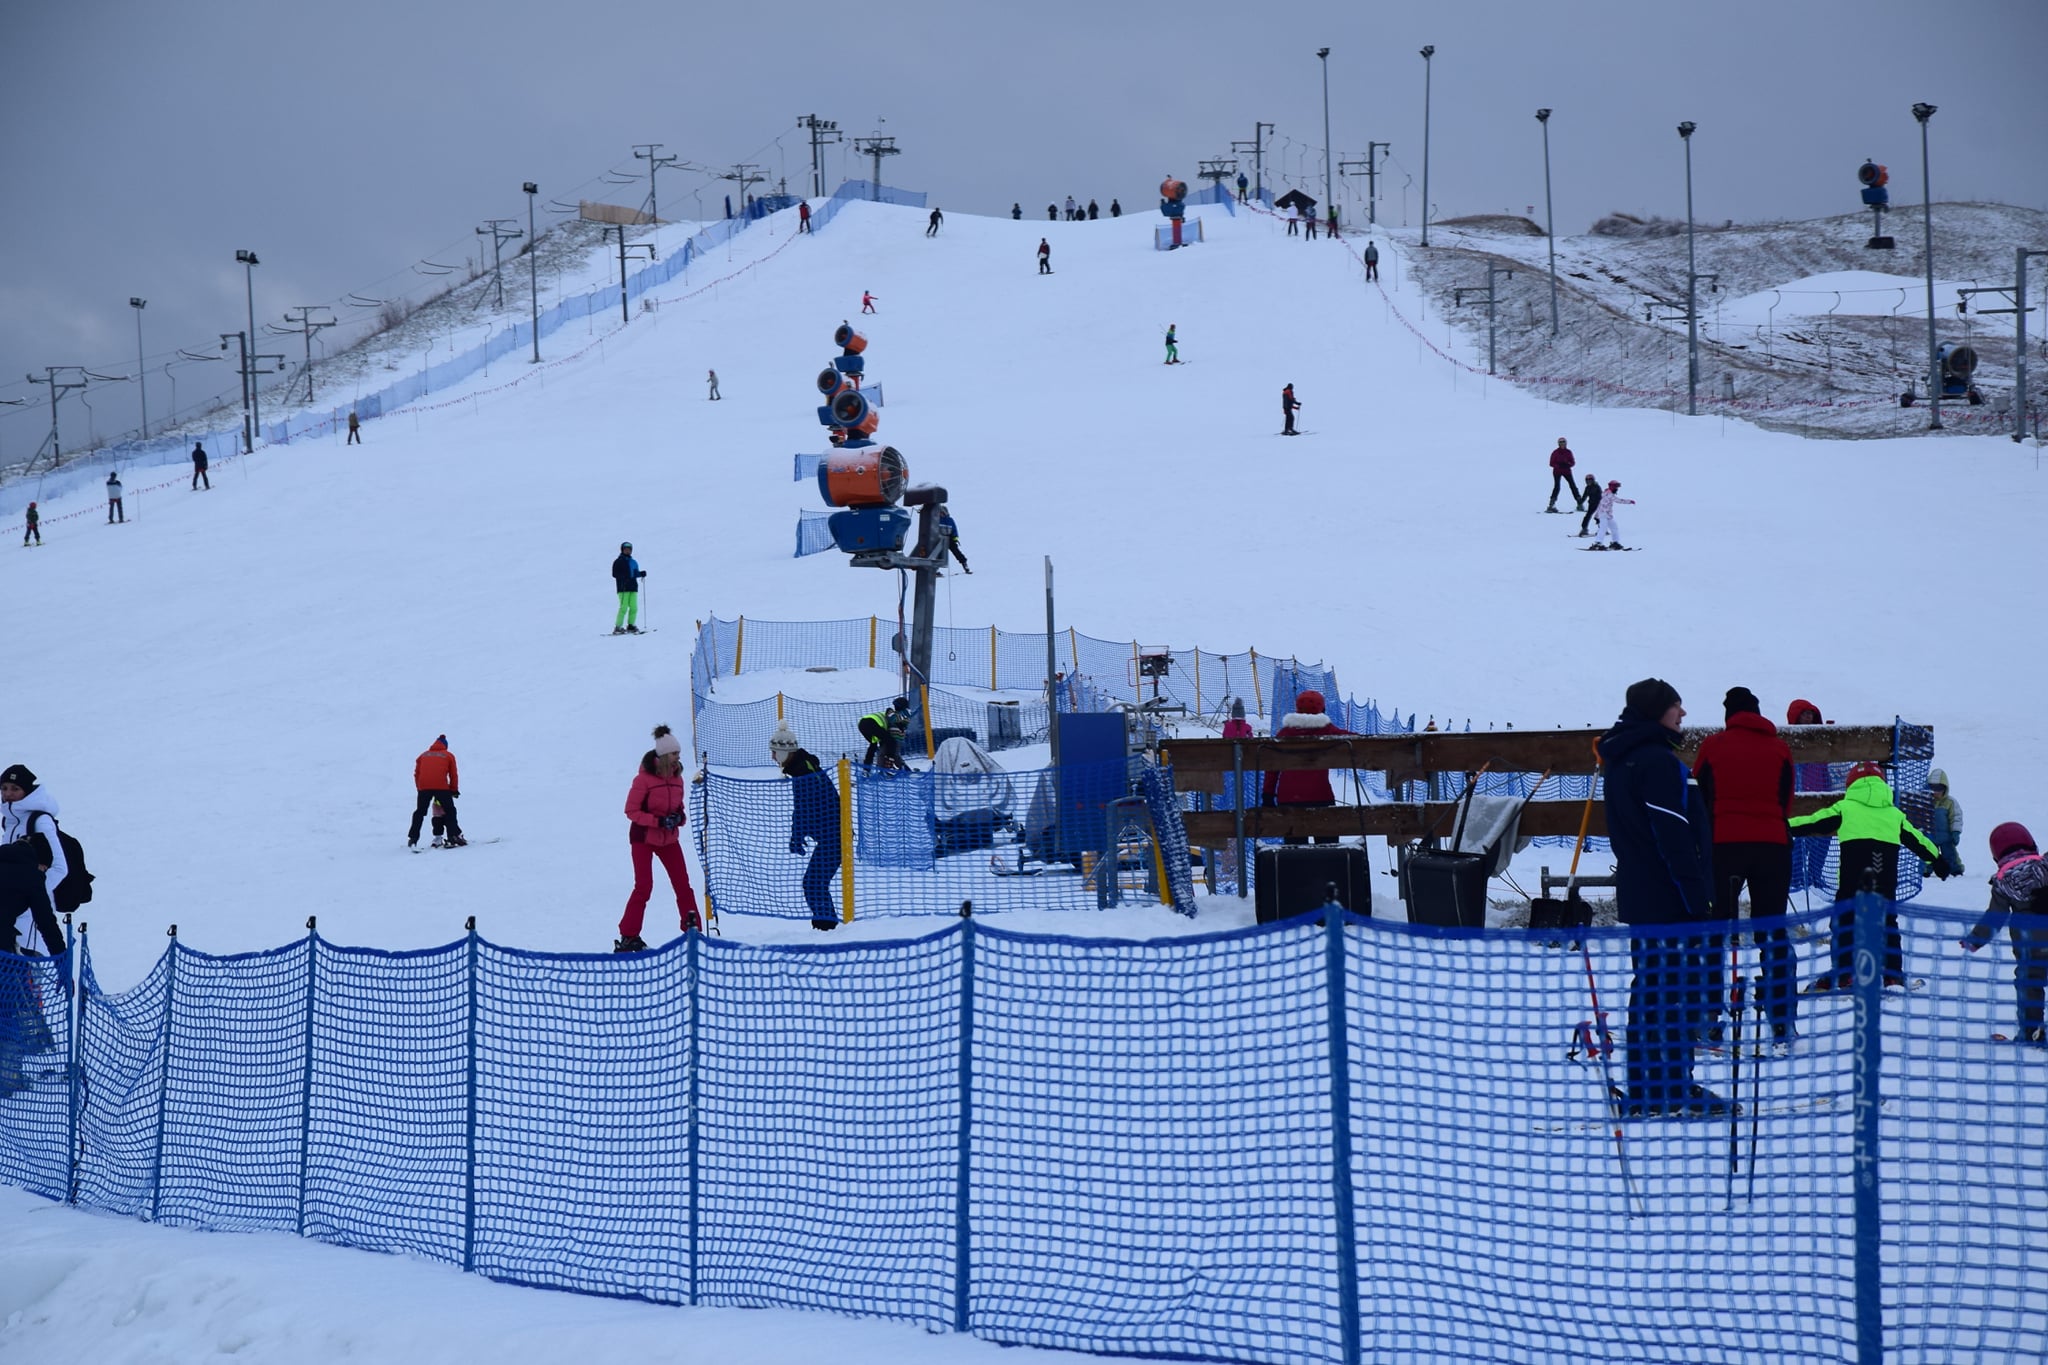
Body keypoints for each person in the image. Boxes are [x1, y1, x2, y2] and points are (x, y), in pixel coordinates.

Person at [1599, 679, 1726, 1119]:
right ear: (1657, 712)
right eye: (1676, 706)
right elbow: (1673, 836)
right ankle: (1671, 1088)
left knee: (1651, 989)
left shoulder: (1623, 758)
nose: (1683, 714)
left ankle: (1649, 1086)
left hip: (1643, 894)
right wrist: (1696, 899)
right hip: (1668, 898)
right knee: (1674, 991)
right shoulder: (1656, 761)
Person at [1692, 685, 1799, 1052]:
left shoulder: (1712, 746)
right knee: (1773, 931)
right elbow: (1786, 799)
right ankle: (1783, 1024)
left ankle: (1707, 1020)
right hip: (1772, 845)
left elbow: (1700, 796)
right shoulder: (1780, 747)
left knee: (1714, 932)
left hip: (1723, 845)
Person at [1791, 759, 1949, 992]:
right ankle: (1892, 974)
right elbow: (1918, 840)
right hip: (1884, 883)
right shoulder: (1894, 815)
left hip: (1851, 883)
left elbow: (1814, 821)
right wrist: (1937, 859)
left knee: (1844, 922)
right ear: (1882, 784)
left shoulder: (1845, 808)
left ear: (1851, 785)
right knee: (1887, 923)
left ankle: (1845, 973)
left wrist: (1782, 825)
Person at [1961, 822, 2048, 1045]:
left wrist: (1975, 940)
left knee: (2029, 984)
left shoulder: (2003, 881)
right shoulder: (2045, 865)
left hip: (2031, 948)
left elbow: (1995, 916)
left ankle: (2030, 1032)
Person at [615, 725, 700, 951]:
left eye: (678, 755)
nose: (677, 759)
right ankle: (629, 935)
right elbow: (631, 811)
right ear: (662, 756)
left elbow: (679, 807)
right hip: (643, 837)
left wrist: (678, 818)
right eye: (674, 754)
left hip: (668, 839)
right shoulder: (643, 780)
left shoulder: (677, 778)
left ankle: (693, 930)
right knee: (644, 886)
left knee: (683, 884)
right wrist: (658, 821)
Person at [1260, 689, 1355, 845]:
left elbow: (1272, 767)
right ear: (1322, 710)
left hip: (1289, 800)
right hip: (1321, 796)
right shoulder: (1327, 730)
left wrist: (1268, 794)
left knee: (1295, 850)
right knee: (1328, 849)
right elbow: (1353, 740)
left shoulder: (1284, 733)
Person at [771, 724, 842, 930]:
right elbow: (805, 808)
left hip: (834, 836)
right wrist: (799, 834)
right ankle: (826, 926)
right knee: (814, 883)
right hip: (831, 835)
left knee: (813, 884)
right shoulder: (803, 767)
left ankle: (828, 928)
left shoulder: (803, 772)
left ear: (785, 753)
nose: (773, 758)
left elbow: (804, 808)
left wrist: (797, 835)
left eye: (775, 753)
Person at [0, 764, 67, 961]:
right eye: (4, 788)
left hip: (31, 912)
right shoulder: (10, 821)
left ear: (27, 791)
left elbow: (59, 867)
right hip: (11, 909)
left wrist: (31, 894)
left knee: (30, 966)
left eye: (15, 789)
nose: (8, 794)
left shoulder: (40, 821)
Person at [1785, 699, 1833, 890]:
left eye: (1811, 714)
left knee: (1824, 837)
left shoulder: (1820, 743)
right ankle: (1795, 877)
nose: (1808, 717)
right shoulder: (1790, 741)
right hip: (1800, 801)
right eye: (1804, 714)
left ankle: (1815, 875)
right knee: (1801, 839)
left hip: (1822, 798)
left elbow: (1826, 769)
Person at [405, 736, 464, 849]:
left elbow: (417, 773)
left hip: (424, 787)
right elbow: (453, 775)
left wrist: (420, 788)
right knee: (450, 810)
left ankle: (413, 838)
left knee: (420, 812)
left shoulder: (422, 755)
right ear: (445, 746)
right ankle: (452, 836)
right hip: (441, 787)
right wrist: (454, 790)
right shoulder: (448, 755)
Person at [1928, 768, 1965, 876]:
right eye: (1932, 788)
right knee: (1928, 854)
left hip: (1946, 837)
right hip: (1930, 837)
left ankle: (1956, 870)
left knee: (1950, 855)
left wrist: (1955, 832)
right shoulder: (1926, 801)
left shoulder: (1950, 802)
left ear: (1945, 789)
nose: (1935, 792)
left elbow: (1956, 817)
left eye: (1939, 788)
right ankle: (1926, 871)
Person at [859, 697, 913, 770]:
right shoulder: (891, 714)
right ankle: (888, 766)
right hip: (873, 723)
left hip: (861, 724)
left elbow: (899, 721)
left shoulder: (901, 715)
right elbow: (892, 718)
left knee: (873, 746)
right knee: (891, 742)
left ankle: (867, 768)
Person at [611, 541, 646, 634]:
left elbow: (634, 573)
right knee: (624, 607)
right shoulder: (618, 561)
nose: (627, 551)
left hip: (633, 587)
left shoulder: (633, 562)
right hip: (623, 588)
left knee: (634, 607)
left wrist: (641, 574)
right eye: (625, 549)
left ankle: (631, 625)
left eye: (629, 549)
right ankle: (618, 627)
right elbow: (614, 574)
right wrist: (623, 576)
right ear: (622, 550)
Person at [1590, 480, 1634, 550]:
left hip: (1608, 515)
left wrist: (1596, 515)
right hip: (1603, 514)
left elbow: (1599, 504)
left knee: (1614, 527)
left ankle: (1615, 543)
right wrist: (1629, 501)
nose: (1617, 489)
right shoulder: (1609, 494)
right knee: (1603, 528)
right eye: (1616, 487)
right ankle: (1597, 543)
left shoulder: (1606, 493)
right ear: (1612, 487)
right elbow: (1619, 500)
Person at [1546, 438, 1577, 513]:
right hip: (1557, 471)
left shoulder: (1568, 452)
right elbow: (1551, 463)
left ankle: (1579, 502)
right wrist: (1558, 465)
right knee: (1557, 487)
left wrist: (1568, 464)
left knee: (1573, 486)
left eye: (1563, 442)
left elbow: (1573, 462)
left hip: (1567, 471)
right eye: (1561, 442)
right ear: (1558, 444)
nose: (1562, 444)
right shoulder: (1555, 452)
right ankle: (1551, 504)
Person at [936, 508, 970, 573]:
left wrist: (955, 538)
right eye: (940, 513)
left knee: (956, 551)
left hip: (949, 539)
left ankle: (964, 564)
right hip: (940, 539)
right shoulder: (937, 520)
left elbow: (954, 530)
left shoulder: (950, 520)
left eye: (942, 513)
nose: (941, 514)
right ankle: (936, 569)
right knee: (938, 553)